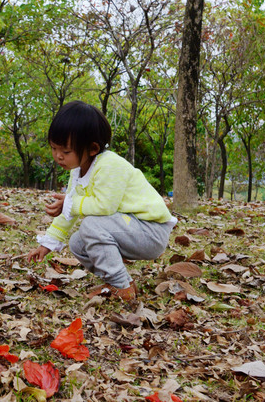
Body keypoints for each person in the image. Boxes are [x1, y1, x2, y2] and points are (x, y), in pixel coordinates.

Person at [27, 101, 176, 301]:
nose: (58, 156)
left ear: (93, 148)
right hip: (127, 228)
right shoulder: (77, 171)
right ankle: (120, 281)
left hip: (150, 231)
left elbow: (105, 206)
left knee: (90, 225)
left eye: (66, 151)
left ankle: (121, 287)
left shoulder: (110, 165)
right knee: (78, 243)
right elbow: (70, 212)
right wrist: (48, 243)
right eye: (54, 148)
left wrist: (70, 203)